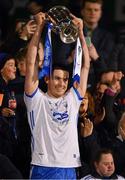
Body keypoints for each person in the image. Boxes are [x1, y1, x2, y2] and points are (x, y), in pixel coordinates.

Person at [24, 11, 90, 179]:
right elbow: (31, 63)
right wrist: (39, 28)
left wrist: (81, 33)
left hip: (69, 167)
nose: (62, 83)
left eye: (65, 79)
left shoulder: (73, 99)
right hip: (42, 166)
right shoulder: (36, 99)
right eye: (57, 79)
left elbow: (85, 67)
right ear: (47, 79)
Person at [80, 0, 115, 92]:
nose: (92, 13)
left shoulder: (108, 37)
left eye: (96, 10)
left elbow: (108, 60)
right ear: (82, 11)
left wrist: (94, 55)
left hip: (97, 81)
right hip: (76, 78)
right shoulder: (72, 33)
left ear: (100, 13)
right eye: (89, 9)